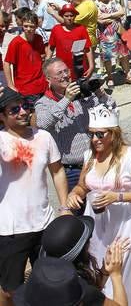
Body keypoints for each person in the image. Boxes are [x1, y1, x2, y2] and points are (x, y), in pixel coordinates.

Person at [66, 105, 131, 305]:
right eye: (91, 135)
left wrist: (117, 197)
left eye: (100, 134)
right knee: (102, 275)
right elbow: (82, 186)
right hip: (97, 229)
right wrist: (74, 193)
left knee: (123, 276)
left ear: (113, 134)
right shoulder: (90, 156)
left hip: (127, 226)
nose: (95, 140)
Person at [0, 87, 69, 306]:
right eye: (14, 109)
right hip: (11, 231)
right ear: (2, 116)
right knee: (10, 290)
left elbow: (57, 171)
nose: (22, 112)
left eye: (25, 106)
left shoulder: (44, 137)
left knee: (51, 283)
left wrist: (65, 207)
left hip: (45, 224)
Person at [35, 57, 116, 191]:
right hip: (73, 171)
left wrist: (102, 95)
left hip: (98, 161)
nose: (65, 75)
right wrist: (67, 99)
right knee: (79, 209)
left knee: (106, 205)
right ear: (48, 79)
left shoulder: (83, 91)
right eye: (59, 73)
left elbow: (111, 109)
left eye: (66, 71)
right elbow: (42, 123)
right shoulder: (44, 103)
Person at [38, 215, 129, 306]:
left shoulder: (44, 276)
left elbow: (93, 295)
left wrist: (104, 271)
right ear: (84, 250)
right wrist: (116, 274)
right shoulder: (79, 290)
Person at [3, 8, 47, 102]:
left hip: (42, 86)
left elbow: (43, 58)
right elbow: (7, 63)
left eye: (31, 26)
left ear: (36, 26)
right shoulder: (16, 42)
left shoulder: (39, 39)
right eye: (26, 26)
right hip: (25, 89)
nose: (28, 29)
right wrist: (11, 85)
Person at [95, 0, 131, 87]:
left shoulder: (113, 1)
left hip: (118, 31)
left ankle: (128, 74)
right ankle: (110, 77)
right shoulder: (96, 4)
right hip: (105, 34)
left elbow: (122, 12)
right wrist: (114, 16)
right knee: (107, 57)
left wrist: (109, 16)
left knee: (124, 55)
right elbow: (100, 20)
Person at [47, 4, 94, 81]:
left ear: (75, 16)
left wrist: (91, 65)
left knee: (80, 88)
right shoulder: (56, 29)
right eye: (66, 16)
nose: (69, 18)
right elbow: (51, 47)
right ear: (62, 16)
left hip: (79, 66)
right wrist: (47, 62)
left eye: (71, 16)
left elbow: (87, 48)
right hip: (62, 67)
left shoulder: (81, 29)